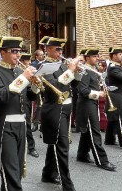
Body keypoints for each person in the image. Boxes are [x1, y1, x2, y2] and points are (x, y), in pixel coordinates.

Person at [0, 36, 37, 191]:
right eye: (14, 51)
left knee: (17, 169)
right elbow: (2, 96)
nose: (18, 55)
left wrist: (35, 85)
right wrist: (24, 78)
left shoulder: (19, 71)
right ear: (3, 53)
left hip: (21, 124)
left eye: (19, 51)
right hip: (5, 125)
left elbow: (30, 97)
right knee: (10, 171)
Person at [39, 37, 79, 191]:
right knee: (62, 146)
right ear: (48, 49)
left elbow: (75, 84)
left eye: (61, 49)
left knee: (55, 143)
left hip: (66, 108)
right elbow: (53, 87)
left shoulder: (62, 65)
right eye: (57, 49)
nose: (60, 52)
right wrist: (70, 70)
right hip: (54, 108)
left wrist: (77, 71)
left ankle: (48, 173)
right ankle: (67, 183)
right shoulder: (45, 66)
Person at [76, 48, 117, 172]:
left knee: (88, 131)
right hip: (86, 104)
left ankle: (82, 155)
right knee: (95, 132)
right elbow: (83, 90)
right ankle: (102, 161)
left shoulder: (93, 70)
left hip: (91, 103)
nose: (97, 58)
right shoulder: (85, 71)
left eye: (97, 56)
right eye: (94, 56)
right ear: (87, 58)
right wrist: (99, 93)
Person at [19, 52, 39, 158]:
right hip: (16, 102)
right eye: (28, 61)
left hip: (26, 101)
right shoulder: (18, 71)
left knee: (27, 125)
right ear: (22, 61)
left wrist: (35, 85)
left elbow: (30, 93)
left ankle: (31, 147)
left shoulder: (29, 72)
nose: (30, 63)